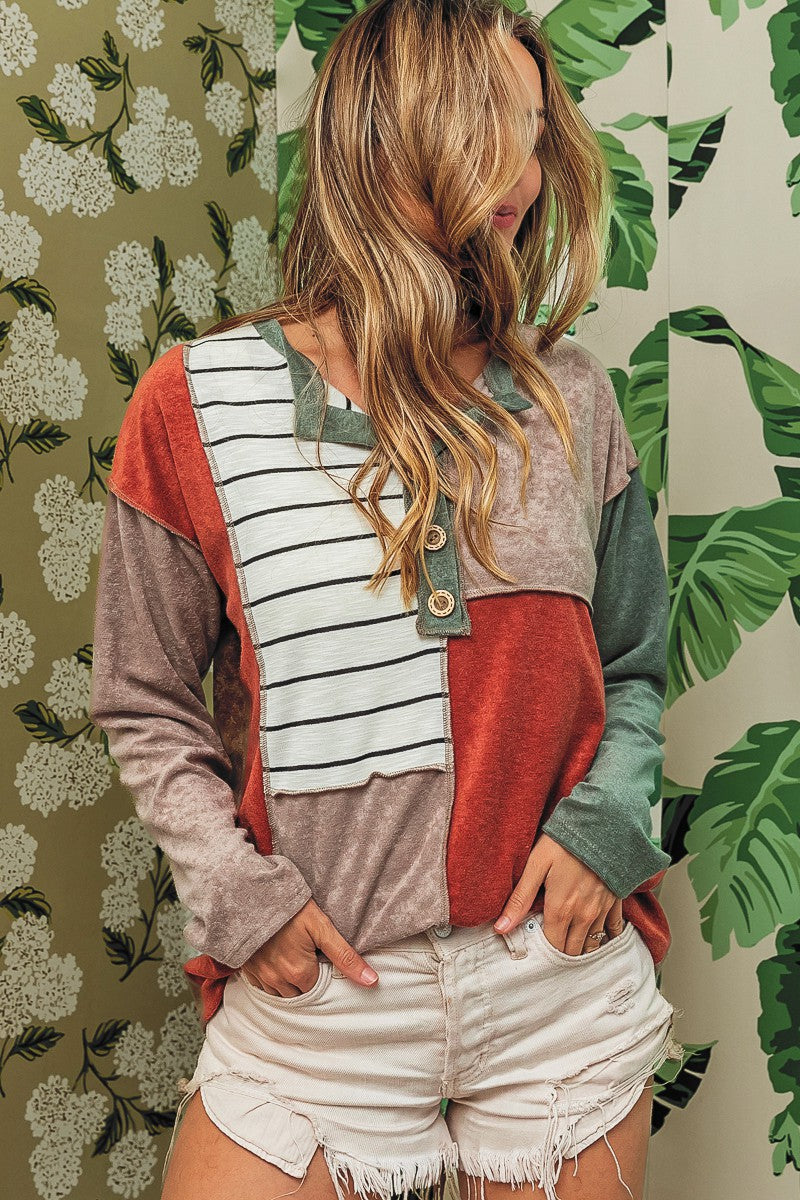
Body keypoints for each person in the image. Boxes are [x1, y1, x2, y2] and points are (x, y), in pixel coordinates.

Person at [89, 2, 684, 1198]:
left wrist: (604, 833)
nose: (519, 172)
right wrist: (239, 898)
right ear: (378, 128)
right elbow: (143, 699)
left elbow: (630, 668)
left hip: (555, 989)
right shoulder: (195, 402)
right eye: (483, 123)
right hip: (323, 998)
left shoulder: (570, 398)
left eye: (532, 133)